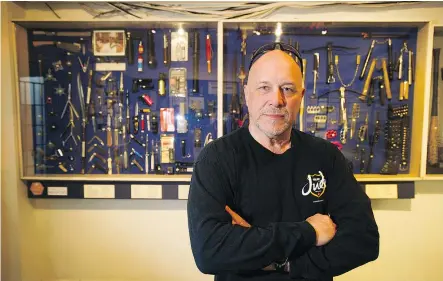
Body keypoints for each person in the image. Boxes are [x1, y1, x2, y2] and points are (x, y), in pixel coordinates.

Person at [187, 42, 379, 281]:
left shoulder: (326, 157)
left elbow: (364, 240)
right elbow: (210, 252)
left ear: (301, 96)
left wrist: (285, 265)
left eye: (287, 88)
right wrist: (308, 232)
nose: (276, 100)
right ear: (247, 94)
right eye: (264, 87)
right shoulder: (216, 159)